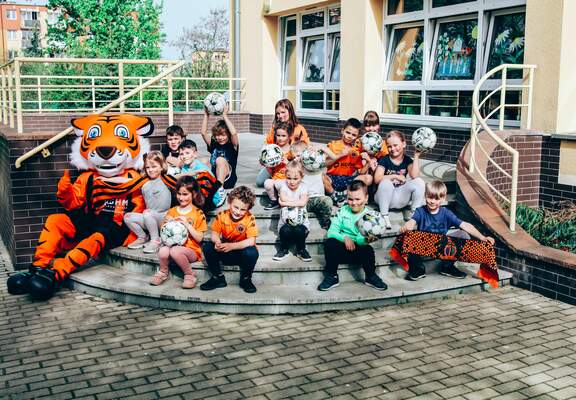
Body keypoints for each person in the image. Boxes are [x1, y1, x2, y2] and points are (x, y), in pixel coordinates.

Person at [400, 180, 496, 281]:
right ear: (425, 196)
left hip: (441, 247)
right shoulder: (420, 211)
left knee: (463, 235)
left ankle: (447, 267)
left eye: (436, 198)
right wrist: (407, 226)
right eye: (430, 197)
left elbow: (465, 225)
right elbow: (411, 222)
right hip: (424, 247)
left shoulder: (446, 213)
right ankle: (418, 268)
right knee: (408, 236)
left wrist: (482, 237)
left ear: (443, 198)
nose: (432, 201)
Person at [317, 180, 387, 291]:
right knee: (330, 243)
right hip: (341, 251)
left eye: (357, 199)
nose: (354, 203)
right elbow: (331, 232)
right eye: (350, 199)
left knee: (367, 249)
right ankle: (332, 276)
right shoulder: (343, 211)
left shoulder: (369, 216)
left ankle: (370, 276)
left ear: (366, 198)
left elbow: (359, 239)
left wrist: (365, 240)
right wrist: (345, 238)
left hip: (358, 252)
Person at [151, 176, 207, 289]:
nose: (181, 198)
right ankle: (163, 272)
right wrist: (166, 223)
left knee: (175, 251)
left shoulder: (198, 213)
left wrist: (187, 224)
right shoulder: (172, 211)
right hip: (172, 248)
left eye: (185, 194)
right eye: (179, 194)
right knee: (163, 250)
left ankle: (190, 274)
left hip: (191, 251)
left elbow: (200, 238)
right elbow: (163, 232)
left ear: (194, 194)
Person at [200, 186, 259, 293]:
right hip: (225, 252)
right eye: (235, 207)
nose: (238, 212)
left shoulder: (249, 218)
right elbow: (214, 234)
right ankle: (218, 277)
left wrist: (232, 246)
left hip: (241, 255)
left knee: (252, 252)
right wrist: (217, 242)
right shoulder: (222, 215)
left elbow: (251, 241)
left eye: (243, 209)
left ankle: (246, 278)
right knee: (208, 247)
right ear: (229, 202)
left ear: (248, 209)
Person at [373, 130, 425, 230]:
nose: (392, 148)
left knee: (419, 182)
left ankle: (415, 214)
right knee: (386, 183)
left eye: (395, 145)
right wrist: (395, 176)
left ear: (404, 144)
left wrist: (416, 156)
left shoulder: (407, 160)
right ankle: (384, 216)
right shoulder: (384, 160)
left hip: (400, 196)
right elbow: (377, 179)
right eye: (389, 146)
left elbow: (415, 176)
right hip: (384, 198)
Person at [124, 151, 172, 253]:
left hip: (163, 218)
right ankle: (142, 237)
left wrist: (195, 173)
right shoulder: (144, 182)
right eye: (148, 167)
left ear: (161, 166)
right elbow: (126, 182)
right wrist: (106, 179)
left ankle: (155, 240)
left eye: (154, 166)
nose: (150, 170)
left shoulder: (166, 179)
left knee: (147, 213)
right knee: (127, 216)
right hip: (149, 218)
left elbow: (182, 177)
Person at [256, 99, 309, 187]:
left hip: (294, 163)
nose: (280, 116)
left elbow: (306, 149)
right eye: (278, 113)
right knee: (259, 181)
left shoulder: (299, 129)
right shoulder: (274, 129)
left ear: (290, 112)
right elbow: (266, 146)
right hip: (276, 163)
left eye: (283, 112)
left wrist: (293, 160)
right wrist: (264, 158)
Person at [324, 118, 372, 206]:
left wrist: (368, 162)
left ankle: (344, 195)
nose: (350, 136)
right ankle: (334, 195)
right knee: (321, 177)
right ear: (342, 131)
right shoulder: (333, 145)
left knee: (368, 178)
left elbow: (361, 172)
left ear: (357, 136)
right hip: (333, 177)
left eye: (354, 135)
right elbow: (324, 163)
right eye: (348, 132)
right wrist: (339, 155)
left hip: (348, 179)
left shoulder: (356, 150)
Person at [273, 161, 312, 262]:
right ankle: (284, 249)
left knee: (300, 230)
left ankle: (301, 250)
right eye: (289, 178)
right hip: (285, 224)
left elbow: (302, 202)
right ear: (285, 176)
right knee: (285, 230)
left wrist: (285, 203)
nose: (292, 182)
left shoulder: (304, 186)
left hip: (301, 224)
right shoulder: (284, 186)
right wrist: (298, 201)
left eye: (295, 179)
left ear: (301, 177)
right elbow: (284, 198)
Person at [291, 141, 333, 230]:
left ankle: (325, 222)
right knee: (295, 209)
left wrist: (322, 148)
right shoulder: (297, 169)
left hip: (319, 199)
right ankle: (301, 225)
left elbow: (333, 158)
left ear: (306, 154)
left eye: (299, 156)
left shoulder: (316, 165)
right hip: (304, 200)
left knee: (328, 201)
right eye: (294, 157)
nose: (296, 159)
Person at [177, 139, 226, 208]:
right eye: (181, 154)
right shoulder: (184, 167)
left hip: (213, 198)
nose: (184, 156)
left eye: (187, 153)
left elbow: (211, 188)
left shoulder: (202, 169)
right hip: (198, 193)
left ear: (195, 154)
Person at [200, 103, 239, 189]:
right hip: (214, 178)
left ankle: (219, 189)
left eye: (223, 135)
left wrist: (224, 116)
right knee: (203, 161)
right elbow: (203, 133)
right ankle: (203, 186)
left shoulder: (232, 145)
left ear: (228, 135)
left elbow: (234, 133)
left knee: (220, 160)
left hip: (228, 179)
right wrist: (206, 115)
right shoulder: (214, 144)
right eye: (217, 135)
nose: (220, 138)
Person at [263, 121, 293, 210]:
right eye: (278, 135)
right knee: (267, 183)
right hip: (276, 179)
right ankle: (274, 200)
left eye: (283, 136)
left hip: (288, 180)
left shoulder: (292, 150)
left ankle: (285, 201)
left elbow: (297, 168)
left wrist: (287, 162)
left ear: (289, 136)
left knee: (279, 184)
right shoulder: (272, 150)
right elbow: (270, 172)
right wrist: (267, 164)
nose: (280, 138)